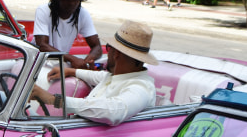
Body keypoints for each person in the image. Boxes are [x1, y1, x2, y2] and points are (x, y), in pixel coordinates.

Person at [30, 20, 158, 126]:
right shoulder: (119, 77)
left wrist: (53, 99)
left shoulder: (141, 88)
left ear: (116, 53)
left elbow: (113, 111)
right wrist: (70, 71)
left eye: (109, 49)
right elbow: (97, 76)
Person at [34, 0, 102, 68]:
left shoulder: (83, 13)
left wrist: (85, 61)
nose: (72, 3)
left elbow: (97, 47)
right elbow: (42, 45)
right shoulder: (43, 10)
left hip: (61, 63)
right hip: (37, 62)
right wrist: (72, 59)